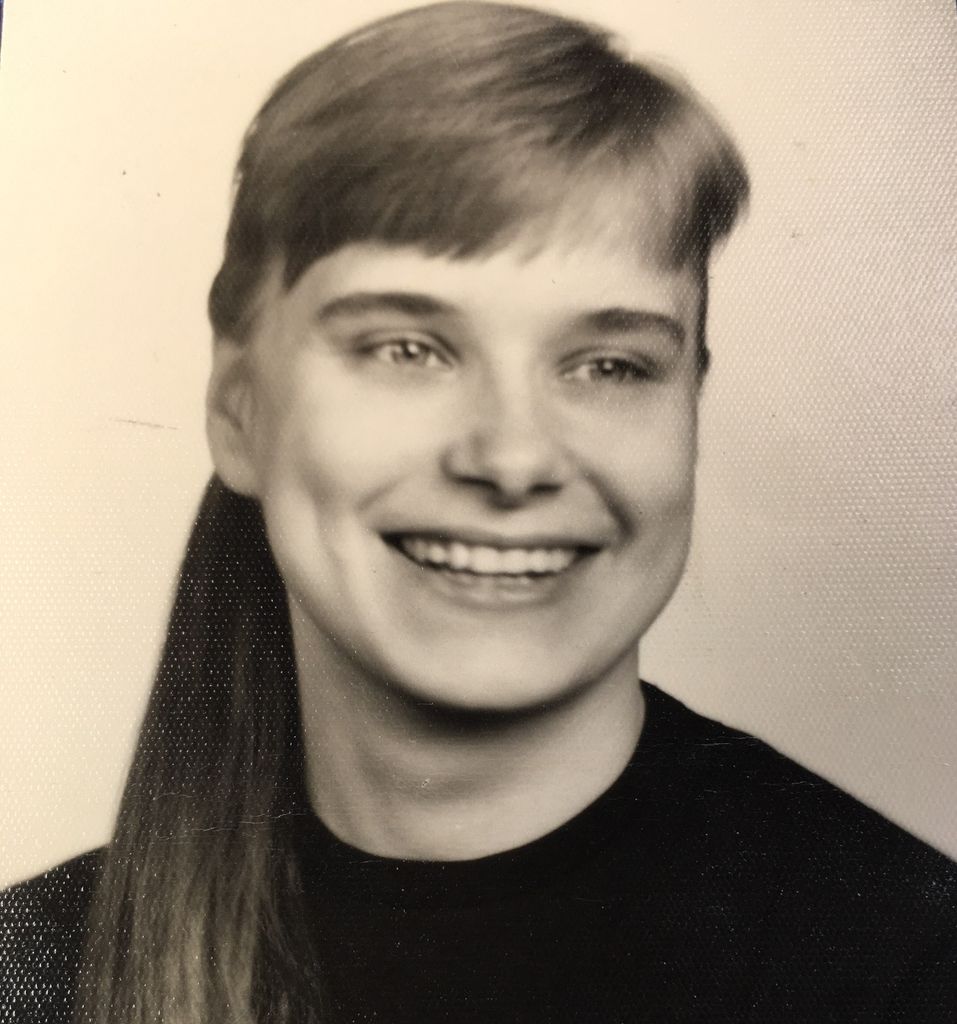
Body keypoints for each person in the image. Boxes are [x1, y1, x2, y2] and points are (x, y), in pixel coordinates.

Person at [2, 2, 955, 1022]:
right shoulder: (33, 969)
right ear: (238, 407)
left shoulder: (903, 966)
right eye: (408, 349)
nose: (511, 458)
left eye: (608, 364)